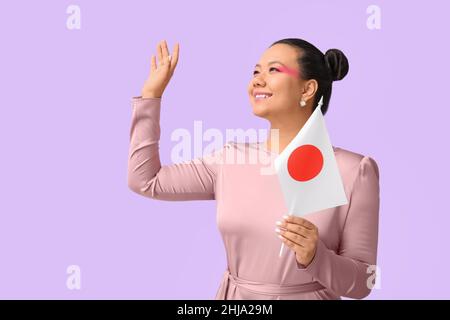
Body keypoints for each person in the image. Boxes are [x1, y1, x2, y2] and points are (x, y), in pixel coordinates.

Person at [127, 38, 380, 300]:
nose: (257, 80)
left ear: (307, 90)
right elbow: (146, 180)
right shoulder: (230, 160)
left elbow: (363, 282)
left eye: (273, 70)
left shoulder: (353, 171)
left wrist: (318, 258)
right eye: (255, 71)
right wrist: (150, 97)